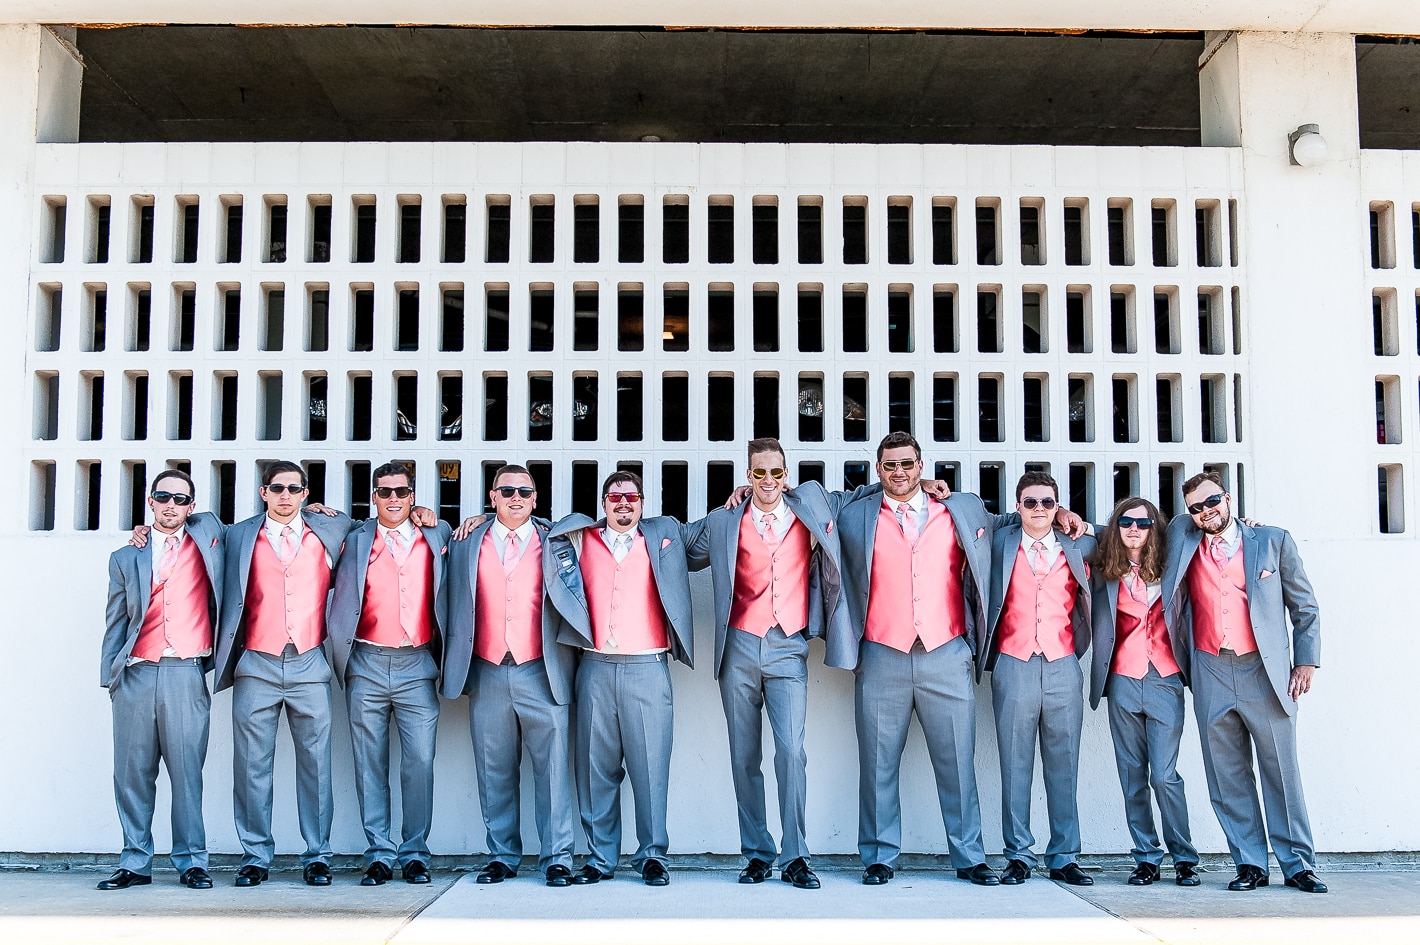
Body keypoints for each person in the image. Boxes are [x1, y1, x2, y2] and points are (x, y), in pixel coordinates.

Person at [681, 437, 874, 890]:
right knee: (744, 756)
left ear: (786, 475)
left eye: (776, 472)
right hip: (739, 647)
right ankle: (756, 853)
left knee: (791, 752)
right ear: (748, 476)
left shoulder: (812, 506)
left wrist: (922, 481)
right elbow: (679, 548)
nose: (768, 480)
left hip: (788, 646)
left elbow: (868, 493)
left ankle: (796, 855)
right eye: (759, 472)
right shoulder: (726, 520)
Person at [835, 432, 1001, 887]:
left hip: (945, 651)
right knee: (877, 762)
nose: (899, 472)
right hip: (881, 652)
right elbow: (811, 500)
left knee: (957, 762)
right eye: (889, 466)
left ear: (922, 464)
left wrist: (1064, 515)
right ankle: (879, 857)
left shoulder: (960, 509)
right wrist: (751, 490)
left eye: (907, 464)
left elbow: (1010, 522)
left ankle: (969, 856)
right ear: (877, 470)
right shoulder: (856, 514)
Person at [1164, 471, 1325, 893]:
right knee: (1226, 774)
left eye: (1212, 501)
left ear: (1229, 497)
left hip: (1264, 671)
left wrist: (1306, 661)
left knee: (1281, 772)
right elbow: (1135, 529)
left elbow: (1305, 607)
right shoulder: (1183, 537)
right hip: (1210, 668)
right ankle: (1250, 863)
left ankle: (1298, 864)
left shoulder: (1272, 540)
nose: (1205, 511)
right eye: (1196, 507)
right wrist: (1082, 524)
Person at [544, 471, 694, 887]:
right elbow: (524, 529)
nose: (623, 503)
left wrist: (746, 493)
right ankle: (600, 857)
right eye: (615, 497)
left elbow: (711, 534)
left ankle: (652, 856)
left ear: (642, 503)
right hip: (594, 666)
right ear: (604, 502)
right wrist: (484, 519)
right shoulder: (578, 540)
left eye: (631, 497)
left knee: (650, 768)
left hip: (648, 667)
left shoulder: (664, 536)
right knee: (595, 769)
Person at [215, 460, 354, 888]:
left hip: (310, 660)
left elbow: (384, 525)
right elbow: (193, 523)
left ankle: (318, 854)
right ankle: (255, 854)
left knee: (315, 764)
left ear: (306, 493)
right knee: (252, 764)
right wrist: (146, 530)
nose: (286, 496)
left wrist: (425, 512)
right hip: (256, 662)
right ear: (263, 492)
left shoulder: (332, 529)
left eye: (294, 488)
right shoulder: (238, 534)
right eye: (277, 488)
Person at [442, 465, 578, 888]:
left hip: (542, 668)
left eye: (525, 491)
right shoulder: (466, 542)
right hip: (487, 668)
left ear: (536, 499)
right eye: (507, 491)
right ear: (492, 496)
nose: (516, 497)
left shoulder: (557, 540)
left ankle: (557, 857)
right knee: (494, 767)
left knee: (553, 769)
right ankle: (502, 854)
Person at [329, 462, 452, 887]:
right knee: (369, 762)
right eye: (384, 492)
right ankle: (379, 852)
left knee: (419, 761)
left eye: (401, 491)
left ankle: (415, 851)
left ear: (413, 496)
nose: (393, 498)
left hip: (417, 663)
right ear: (373, 497)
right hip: (365, 661)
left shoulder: (437, 534)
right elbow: (286, 517)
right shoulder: (351, 536)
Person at [98, 469, 221, 891]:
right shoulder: (125, 555)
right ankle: (135, 861)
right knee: (132, 773)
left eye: (180, 499)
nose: (171, 504)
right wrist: (110, 677)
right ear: (150, 501)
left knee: (188, 773)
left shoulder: (211, 539)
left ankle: (191, 861)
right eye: (162, 496)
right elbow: (115, 620)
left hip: (185, 672)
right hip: (135, 672)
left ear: (192, 506)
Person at [983, 471, 1096, 887]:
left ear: (1057, 505)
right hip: (1014, 662)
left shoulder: (1080, 542)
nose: (1039, 510)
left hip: (1064, 662)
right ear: (1017, 507)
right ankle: (1018, 855)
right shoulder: (999, 541)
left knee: (1064, 765)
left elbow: (1129, 534)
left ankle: (1064, 855)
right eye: (1030, 502)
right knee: (1015, 765)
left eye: (1048, 503)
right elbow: (972, 519)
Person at [1088, 496, 1199, 887]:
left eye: (1144, 523)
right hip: (1122, 679)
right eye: (1126, 523)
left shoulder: (1174, 561)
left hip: (1165, 679)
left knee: (1164, 776)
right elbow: (1091, 535)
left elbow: (1196, 522)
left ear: (1157, 529)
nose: (1134, 529)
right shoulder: (1107, 568)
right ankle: (1147, 857)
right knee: (1132, 775)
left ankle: (1184, 857)